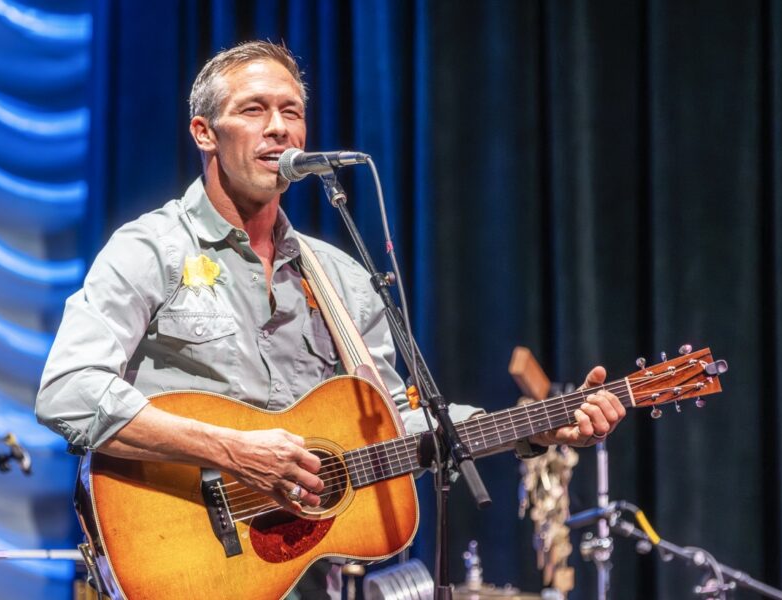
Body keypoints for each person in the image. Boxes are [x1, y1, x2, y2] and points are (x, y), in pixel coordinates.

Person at [35, 41, 625, 598]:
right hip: (181, 561)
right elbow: (68, 391)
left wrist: (535, 427)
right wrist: (232, 450)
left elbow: (393, 424)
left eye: (291, 111)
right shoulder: (151, 249)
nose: (278, 127)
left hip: (310, 577)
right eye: (254, 110)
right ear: (204, 133)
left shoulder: (339, 276)